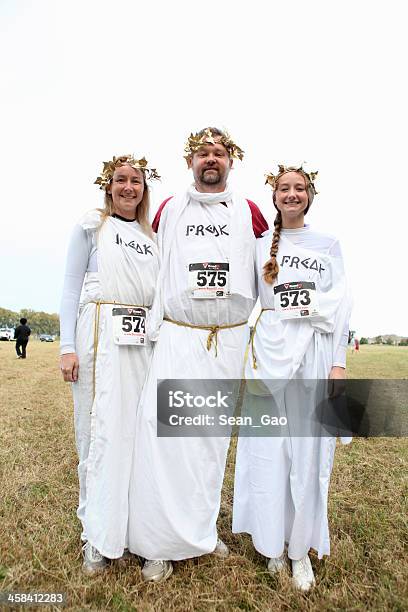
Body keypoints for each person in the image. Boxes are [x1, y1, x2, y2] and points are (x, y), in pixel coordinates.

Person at [128, 127, 268, 582]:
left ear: (232, 161)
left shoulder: (248, 212)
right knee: (164, 435)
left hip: (226, 340)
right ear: (190, 162)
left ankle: (201, 531)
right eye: (203, 153)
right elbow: (146, 259)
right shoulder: (170, 209)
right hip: (179, 335)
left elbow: (275, 258)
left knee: (209, 444)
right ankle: (157, 544)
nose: (212, 159)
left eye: (220, 153)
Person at [232, 165, 351, 591]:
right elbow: (244, 299)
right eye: (284, 188)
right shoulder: (260, 245)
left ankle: (300, 550)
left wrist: (337, 362)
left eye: (300, 188)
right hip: (268, 357)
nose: (292, 194)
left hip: (312, 359)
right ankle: (272, 546)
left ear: (310, 196)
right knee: (268, 454)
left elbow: (341, 308)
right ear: (275, 197)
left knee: (307, 456)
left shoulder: (328, 244)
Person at [59, 154, 160, 574]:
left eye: (136, 181)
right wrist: (67, 346)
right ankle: (96, 533)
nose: (128, 188)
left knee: (137, 436)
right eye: (121, 180)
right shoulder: (91, 226)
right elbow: (69, 286)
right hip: (98, 334)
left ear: (144, 189)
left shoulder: (153, 236)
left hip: (140, 343)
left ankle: (136, 528)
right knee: (97, 431)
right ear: (109, 185)